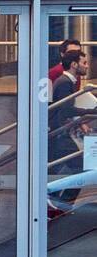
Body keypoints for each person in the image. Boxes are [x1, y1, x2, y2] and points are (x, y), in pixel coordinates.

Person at [50, 51, 90, 205]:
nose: (86, 66)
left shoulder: (66, 81)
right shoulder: (65, 82)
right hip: (60, 134)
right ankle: (62, 203)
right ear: (74, 64)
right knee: (80, 168)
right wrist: (90, 111)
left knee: (61, 168)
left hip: (60, 133)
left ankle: (58, 201)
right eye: (84, 63)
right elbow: (66, 110)